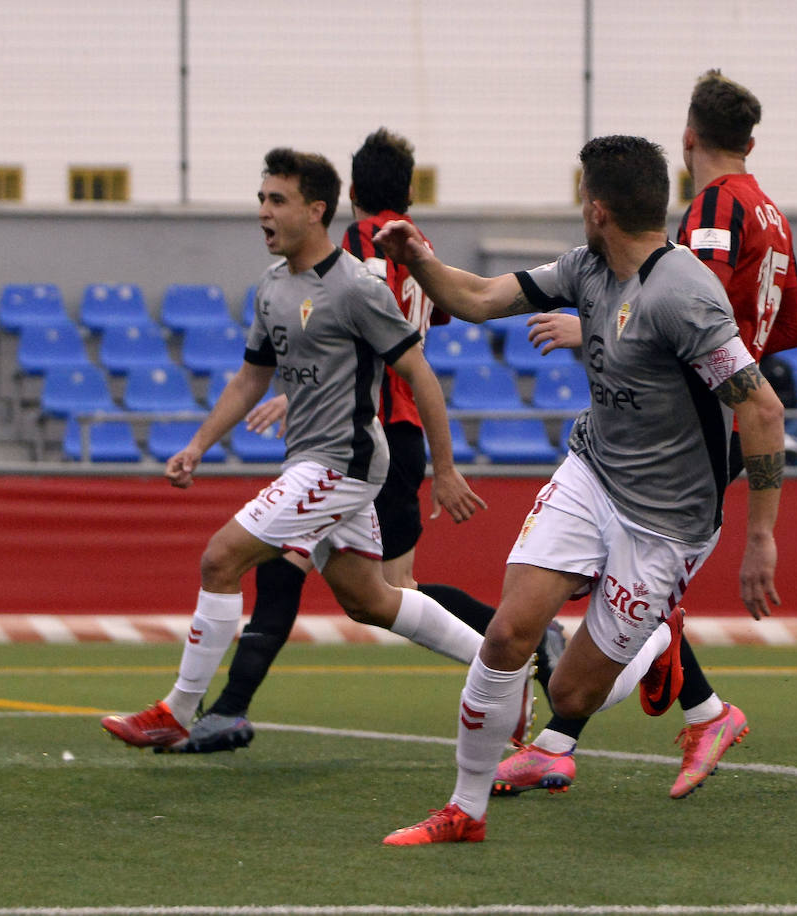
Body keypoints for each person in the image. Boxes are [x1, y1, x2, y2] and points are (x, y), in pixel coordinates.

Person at [373, 134, 785, 844]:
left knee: (570, 692)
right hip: (593, 474)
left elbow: (762, 407)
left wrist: (760, 537)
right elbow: (476, 298)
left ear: (597, 209)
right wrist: (418, 259)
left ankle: (656, 645)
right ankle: (464, 811)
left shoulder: (684, 293)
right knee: (506, 633)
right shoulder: (588, 269)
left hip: (668, 521)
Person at [172, 128, 565, 755]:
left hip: (357, 433)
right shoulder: (417, 246)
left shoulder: (351, 253)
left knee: (305, 577)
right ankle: (511, 648)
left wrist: (309, 386)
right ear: (408, 191)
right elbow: (427, 318)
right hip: (393, 432)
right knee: (364, 590)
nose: (268, 213)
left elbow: (353, 333)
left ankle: (512, 644)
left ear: (344, 196)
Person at [101, 147, 491, 751]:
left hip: (344, 462)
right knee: (372, 599)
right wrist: (199, 445)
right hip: (315, 459)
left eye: (276, 200)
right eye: (261, 198)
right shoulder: (272, 287)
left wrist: (445, 470)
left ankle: (179, 710)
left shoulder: (358, 284)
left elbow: (419, 373)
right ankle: (500, 665)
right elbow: (252, 377)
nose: (262, 211)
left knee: (220, 558)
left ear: (316, 211)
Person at [507, 70, 797, 801]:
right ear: (751, 141)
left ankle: (650, 715)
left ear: (688, 138)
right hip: (734, 400)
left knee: (637, 581)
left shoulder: (713, 209)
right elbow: (780, 333)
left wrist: (590, 327)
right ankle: (690, 715)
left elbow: (669, 302)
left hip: (693, 414)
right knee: (640, 588)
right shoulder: (771, 212)